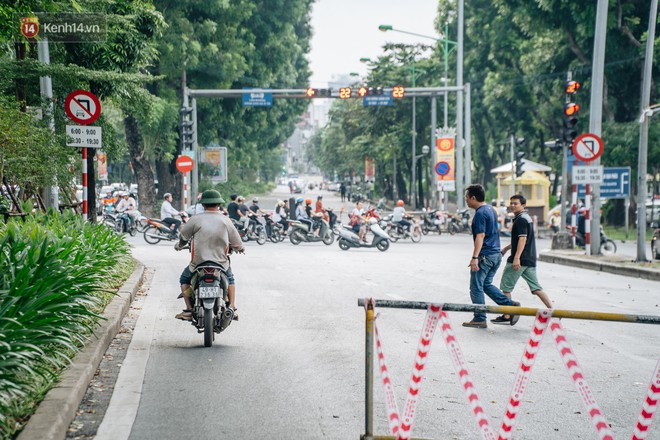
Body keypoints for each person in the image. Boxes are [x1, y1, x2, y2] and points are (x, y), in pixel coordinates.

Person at [174, 190, 244, 321]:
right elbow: (237, 242)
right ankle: (232, 308)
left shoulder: (195, 219)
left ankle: (189, 309)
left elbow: (184, 237)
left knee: (184, 280)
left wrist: (179, 245)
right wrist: (240, 248)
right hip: (221, 263)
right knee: (231, 279)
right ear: (218, 204)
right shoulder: (225, 220)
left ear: (203, 204)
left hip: (198, 264)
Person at [463, 184, 520, 329]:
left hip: (485, 256)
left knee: (476, 287)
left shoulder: (480, 213)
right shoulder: (491, 210)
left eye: (467, 197)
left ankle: (480, 318)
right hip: (495, 255)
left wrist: (475, 257)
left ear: (473, 198)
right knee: (486, 285)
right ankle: (510, 305)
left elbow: (481, 235)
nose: (466, 200)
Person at [492, 194, 554, 325]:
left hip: (520, 259)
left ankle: (508, 314)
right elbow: (520, 239)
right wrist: (507, 248)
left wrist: (516, 258)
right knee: (536, 288)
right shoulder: (526, 218)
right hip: (530, 259)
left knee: (506, 288)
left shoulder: (520, 220)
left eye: (516, 203)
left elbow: (522, 239)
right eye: (511, 203)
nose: (512, 205)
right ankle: (553, 311)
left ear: (523, 205)